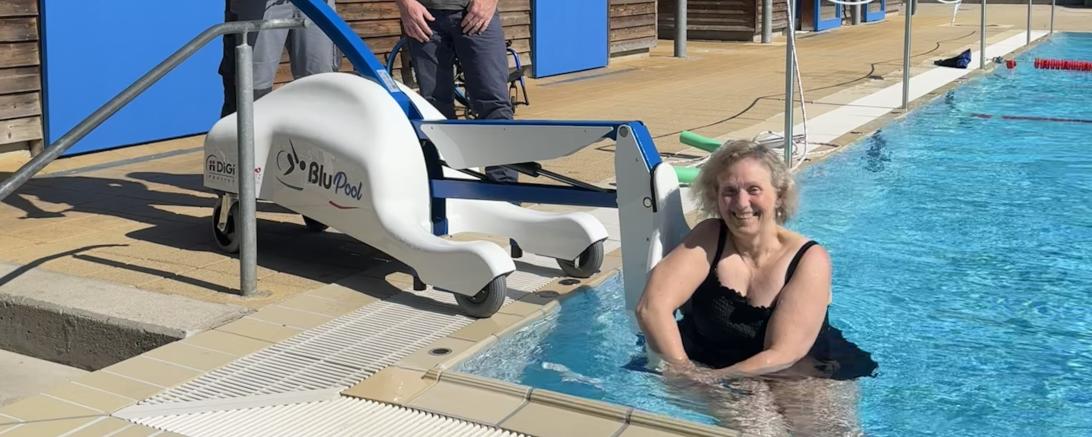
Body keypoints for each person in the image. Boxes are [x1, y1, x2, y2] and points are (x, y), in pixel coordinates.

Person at [636, 140, 877, 435]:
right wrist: (684, 370)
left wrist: (715, 379)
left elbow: (784, 352)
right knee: (761, 430)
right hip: (711, 363)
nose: (740, 203)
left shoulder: (809, 258)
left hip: (801, 372)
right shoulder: (710, 237)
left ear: (779, 195)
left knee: (830, 433)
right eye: (729, 191)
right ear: (715, 196)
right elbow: (652, 307)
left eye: (753, 189)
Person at [394, 0, 516, 183]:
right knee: (434, 110)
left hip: (475, 11)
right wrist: (405, 4)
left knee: (494, 105)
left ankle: (506, 197)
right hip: (423, 17)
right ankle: (448, 190)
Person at [219, 0, 339, 117]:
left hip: (319, 4)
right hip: (260, 4)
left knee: (321, 82)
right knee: (251, 86)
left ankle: (315, 135)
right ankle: (247, 135)